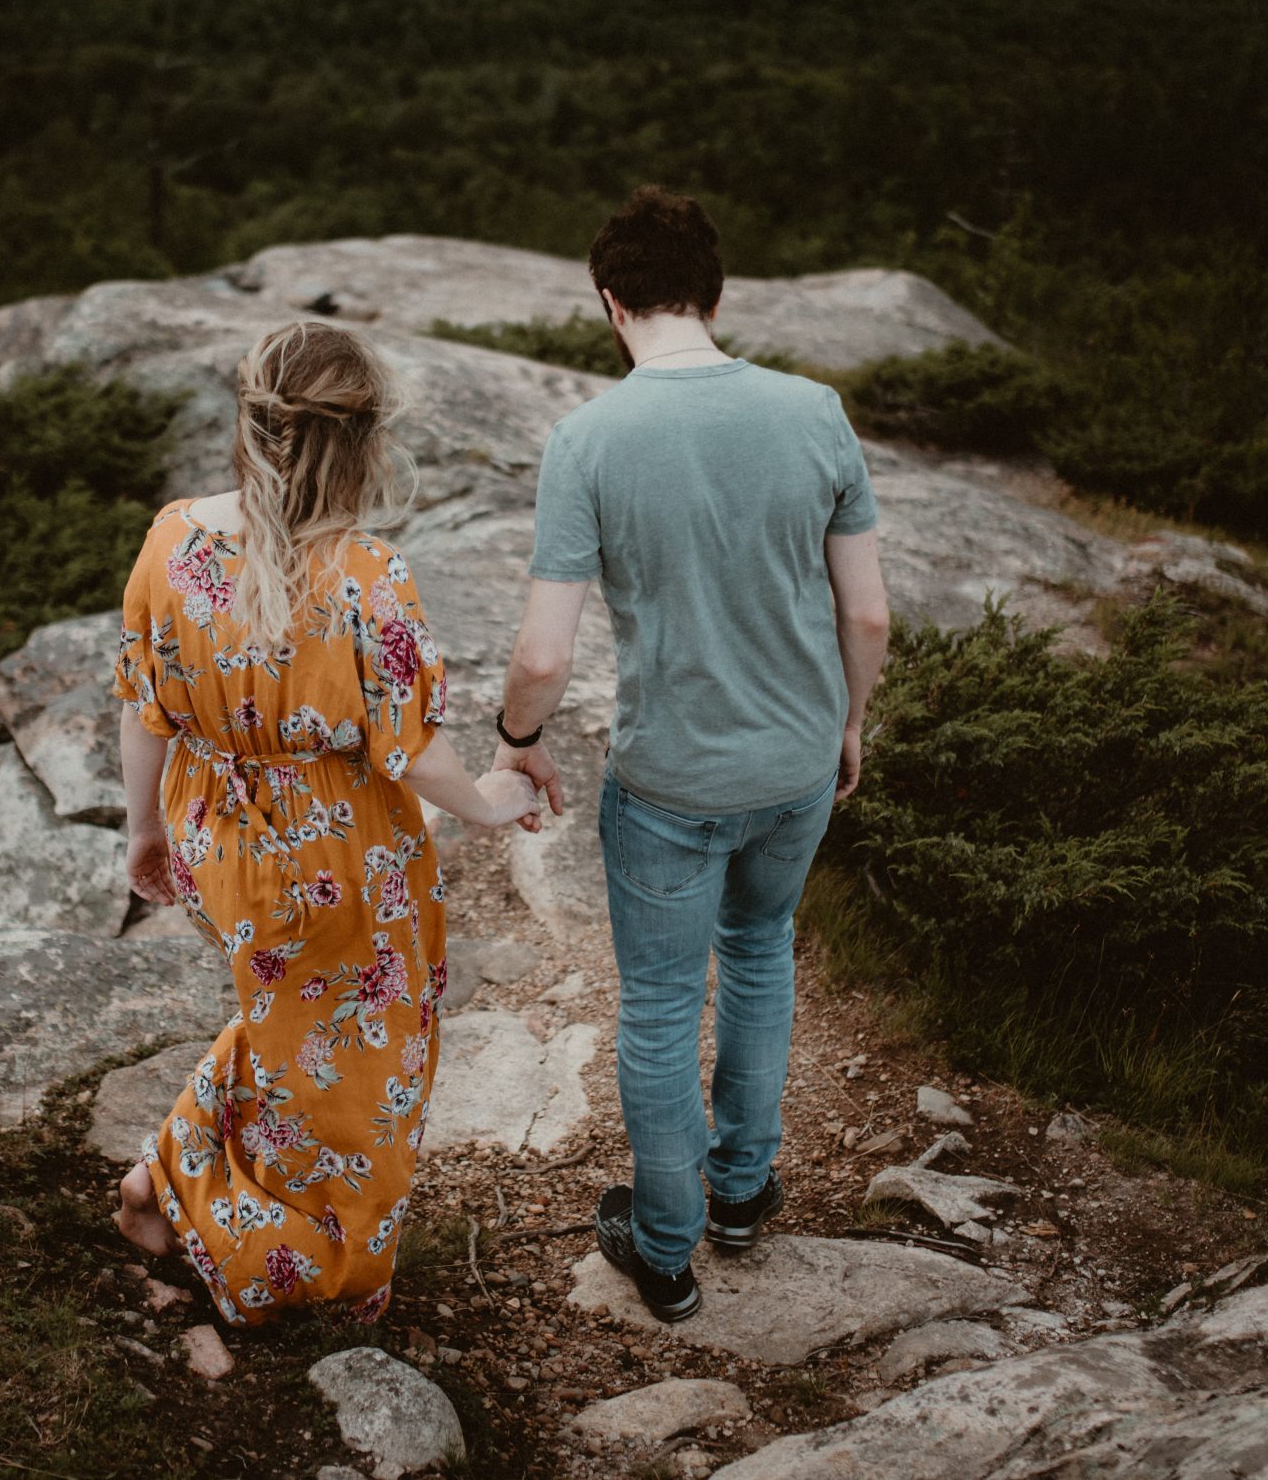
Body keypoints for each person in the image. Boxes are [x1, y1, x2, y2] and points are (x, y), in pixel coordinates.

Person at [490, 186, 891, 1321]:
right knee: (761, 950)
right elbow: (866, 618)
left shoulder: (589, 439)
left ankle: (665, 1252)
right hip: (796, 767)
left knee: (664, 1005)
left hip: (667, 781)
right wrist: (847, 723)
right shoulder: (816, 411)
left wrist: (518, 741)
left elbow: (540, 650)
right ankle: (742, 1195)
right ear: (714, 294)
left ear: (610, 304)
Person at [107, 319, 542, 1327]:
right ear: (363, 440)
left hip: (219, 836)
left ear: (252, 423)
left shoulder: (171, 537)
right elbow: (408, 746)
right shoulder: (364, 573)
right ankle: (298, 1261)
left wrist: (144, 831)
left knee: (281, 1011)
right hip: (342, 857)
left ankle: (160, 1175)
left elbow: (144, 708)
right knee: (369, 1052)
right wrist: (489, 803)